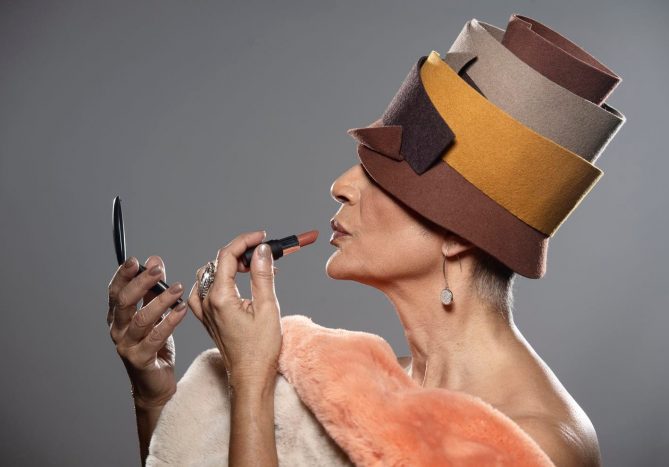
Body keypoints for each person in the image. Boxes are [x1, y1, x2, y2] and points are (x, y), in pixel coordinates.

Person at [107, 13, 625, 467]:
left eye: (383, 176)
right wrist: (154, 397)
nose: (340, 186)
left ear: (457, 237)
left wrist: (251, 378)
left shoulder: (532, 444)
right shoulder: (353, 384)